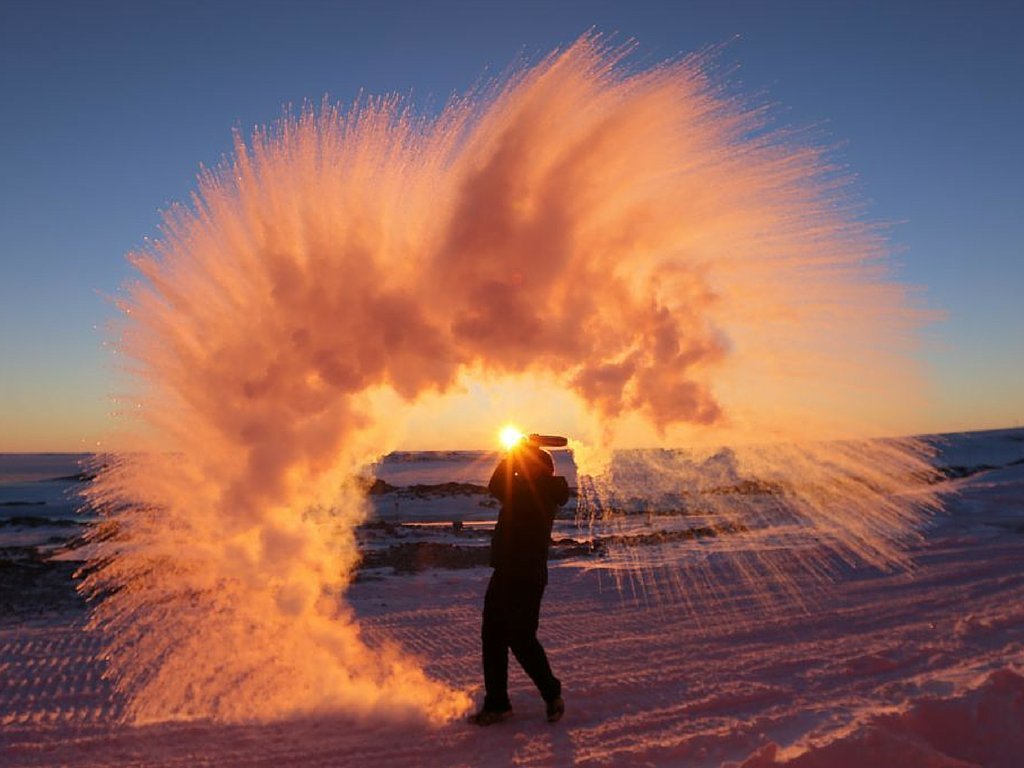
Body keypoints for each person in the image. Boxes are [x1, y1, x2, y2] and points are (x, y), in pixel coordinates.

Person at [468, 440, 570, 726]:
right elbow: (502, 484)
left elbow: (497, 484)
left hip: (521, 575)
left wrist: (514, 452)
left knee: (519, 638)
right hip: (511, 572)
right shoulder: (539, 490)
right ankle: (498, 703)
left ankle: (551, 694)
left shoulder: (530, 493)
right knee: (495, 638)